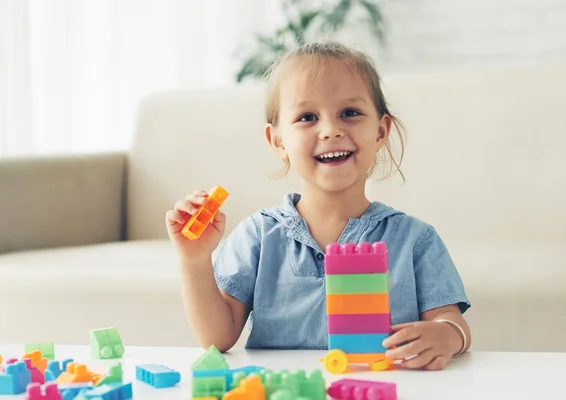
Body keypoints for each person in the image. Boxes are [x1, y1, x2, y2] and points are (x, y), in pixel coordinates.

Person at [166, 41, 471, 370]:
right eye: (307, 117)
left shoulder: (415, 239)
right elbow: (218, 337)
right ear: (278, 141)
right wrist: (194, 262)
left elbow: (452, 323)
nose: (331, 130)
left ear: (381, 131)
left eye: (350, 113)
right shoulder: (258, 236)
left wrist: (448, 336)